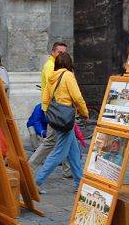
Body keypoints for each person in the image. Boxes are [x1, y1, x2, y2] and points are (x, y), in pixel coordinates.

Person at [35, 52, 88, 193]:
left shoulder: (52, 77)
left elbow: (45, 99)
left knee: (74, 153)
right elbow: (77, 97)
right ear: (68, 63)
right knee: (59, 153)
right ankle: (36, 182)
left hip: (56, 117)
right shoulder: (68, 76)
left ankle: (79, 184)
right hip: (66, 118)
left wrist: (49, 114)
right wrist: (85, 113)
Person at [28, 42, 72, 187]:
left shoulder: (57, 66)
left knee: (67, 141)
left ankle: (69, 170)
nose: (62, 55)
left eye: (64, 52)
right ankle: (31, 169)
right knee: (52, 141)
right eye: (59, 52)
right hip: (57, 110)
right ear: (53, 52)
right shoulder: (51, 66)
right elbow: (51, 88)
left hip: (58, 109)